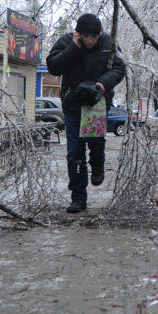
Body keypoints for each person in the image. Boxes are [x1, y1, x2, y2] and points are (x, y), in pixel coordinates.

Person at [46, 13, 127, 213]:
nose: (90, 40)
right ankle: (78, 197)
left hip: (96, 104)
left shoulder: (109, 43)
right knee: (75, 151)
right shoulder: (66, 41)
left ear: (99, 34)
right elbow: (53, 66)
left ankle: (98, 164)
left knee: (96, 142)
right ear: (78, 34)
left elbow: (119, 68)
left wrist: (101, 85)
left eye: (94, 36)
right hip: (73, 104)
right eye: (85, 36)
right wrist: (74, 48)